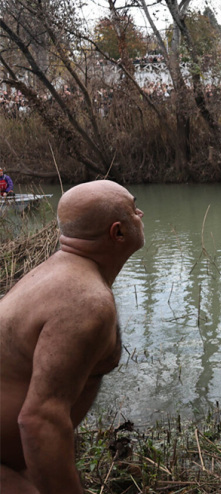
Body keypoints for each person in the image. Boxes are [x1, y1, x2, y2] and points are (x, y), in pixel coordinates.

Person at [0, 180, 144, 493]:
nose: (141, 214)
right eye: (134, 210)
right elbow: (40, 421)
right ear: (117, 233)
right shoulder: (86, 301)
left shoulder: (57, 273)